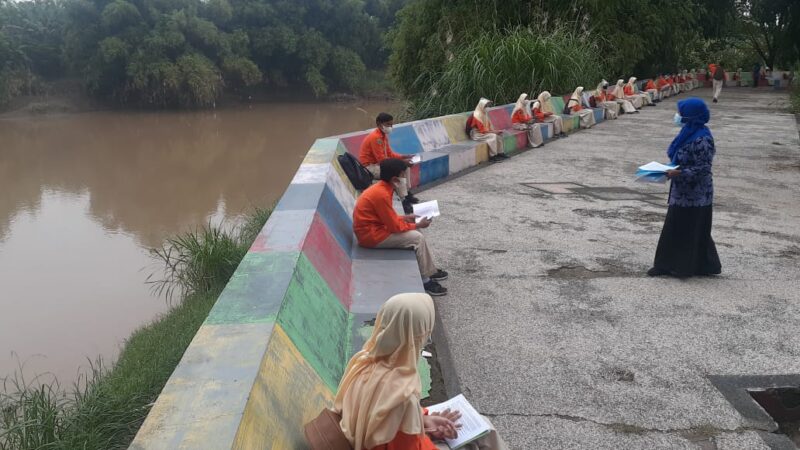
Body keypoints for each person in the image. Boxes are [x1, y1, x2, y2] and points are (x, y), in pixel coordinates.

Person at [334, 293, 508, 450]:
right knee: (484, 432)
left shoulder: (362, 361)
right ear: (418, 337)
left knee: (484, 427)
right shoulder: (402, 394)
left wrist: (423, 420)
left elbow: (378, 418)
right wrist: (426, 433)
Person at [648, 97, 721, 278]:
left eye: (681, 113)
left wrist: (679, 173)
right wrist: (669, 169)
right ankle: (664, 265)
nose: (678, 116)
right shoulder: (687, 132)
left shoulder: (703, 139)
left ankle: (688, 267)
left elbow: (703, 170)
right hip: (680, 191)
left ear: (692, 115)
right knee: (674, 226)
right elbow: (680, 158)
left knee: (691, 229)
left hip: (696, 195)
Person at [353, 158, 448, 296]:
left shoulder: (384, 188)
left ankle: (429, 270)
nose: (405, 178)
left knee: (416, 231)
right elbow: (394, 227)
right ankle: (426, 280)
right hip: (371, 236)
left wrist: (406, 218)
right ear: (394, 179)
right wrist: (417, 224)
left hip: (375, 229)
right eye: (403, 175)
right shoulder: (381, 194)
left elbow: (387, 218)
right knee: (417, 237)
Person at [360, 113, 419, 213]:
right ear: (379, 124)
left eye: (391, 125)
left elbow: (390, 154)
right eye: (388, 125)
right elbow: (381, 160)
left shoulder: (383, 136)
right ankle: (404, 201)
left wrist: (404, 156)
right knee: (399, 169)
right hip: (370, 167)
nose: (390, 127)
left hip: (379, 164)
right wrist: (401, 162)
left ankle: (406, 193)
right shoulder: (376, 138)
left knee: (405, 166)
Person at [467, 98, 508, 162]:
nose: (487, 107)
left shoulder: (484, 114)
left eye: (488, 106)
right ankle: (492, 156)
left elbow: (489, 126)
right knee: (493, 136)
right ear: (481, 106)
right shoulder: (477, 115)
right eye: (486, 106)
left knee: (499, 135)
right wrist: (494, 132)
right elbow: (482, 130)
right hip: (477, 134)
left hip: (484, 132)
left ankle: (500, 153)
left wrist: (497, 131)